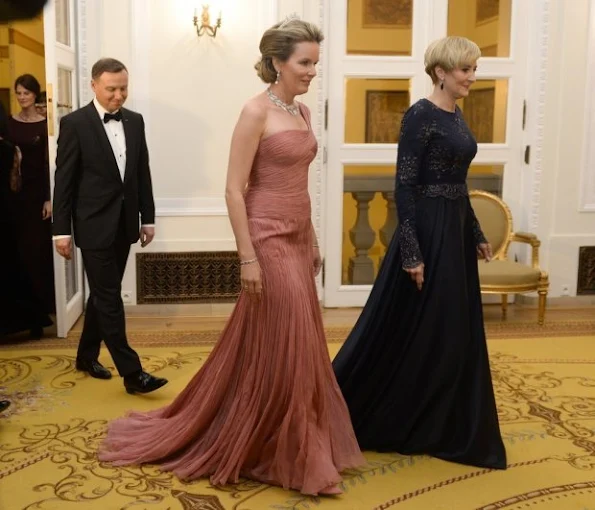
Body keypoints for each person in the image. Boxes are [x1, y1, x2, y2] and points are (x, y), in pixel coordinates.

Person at [98, 19, 364, 495]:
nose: (311, 72)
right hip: (265, 237)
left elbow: (298, 185)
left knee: (292, 343)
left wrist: (314, 239)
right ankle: (278, 441)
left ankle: (280, 436)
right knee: (290, 337)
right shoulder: (255, 111)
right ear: (277, 62)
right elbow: (233, 189)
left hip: (299, 235)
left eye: (315, 64)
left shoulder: (302, 112)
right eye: (304, 63)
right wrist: (247, 258)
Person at [332, 36, 507, 470]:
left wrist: (476, 229)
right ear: (441, 72)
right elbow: (405, 186)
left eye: (474, 69)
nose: (471, 77)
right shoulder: (419, 115)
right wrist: (411, 251)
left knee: (451, 327)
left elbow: (457, 182)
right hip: (427, 230)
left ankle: (443, 418)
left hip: (453, 227)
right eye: (464, 69)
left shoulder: (456, 114)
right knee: (417, 327)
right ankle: (383, 413)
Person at [52, 58, 167, 395]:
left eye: (123, 88)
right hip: (91, 226)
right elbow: (64, 182)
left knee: (103, 297)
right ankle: (132, 374)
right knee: (111, 298)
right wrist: (61, 231)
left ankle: (86, 356)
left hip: (125, 224)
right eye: (111, 89)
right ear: (94, 86)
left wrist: (148, 217)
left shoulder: (135, 121)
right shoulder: (74, 124)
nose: (119, 96)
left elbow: (141, 173)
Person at [0, 96, 53, 339]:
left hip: (8, 213)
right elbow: (14, 182)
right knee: (14, 267)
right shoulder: (10, 149)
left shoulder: (9, 149)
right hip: (8, 213)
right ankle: (33, 320)